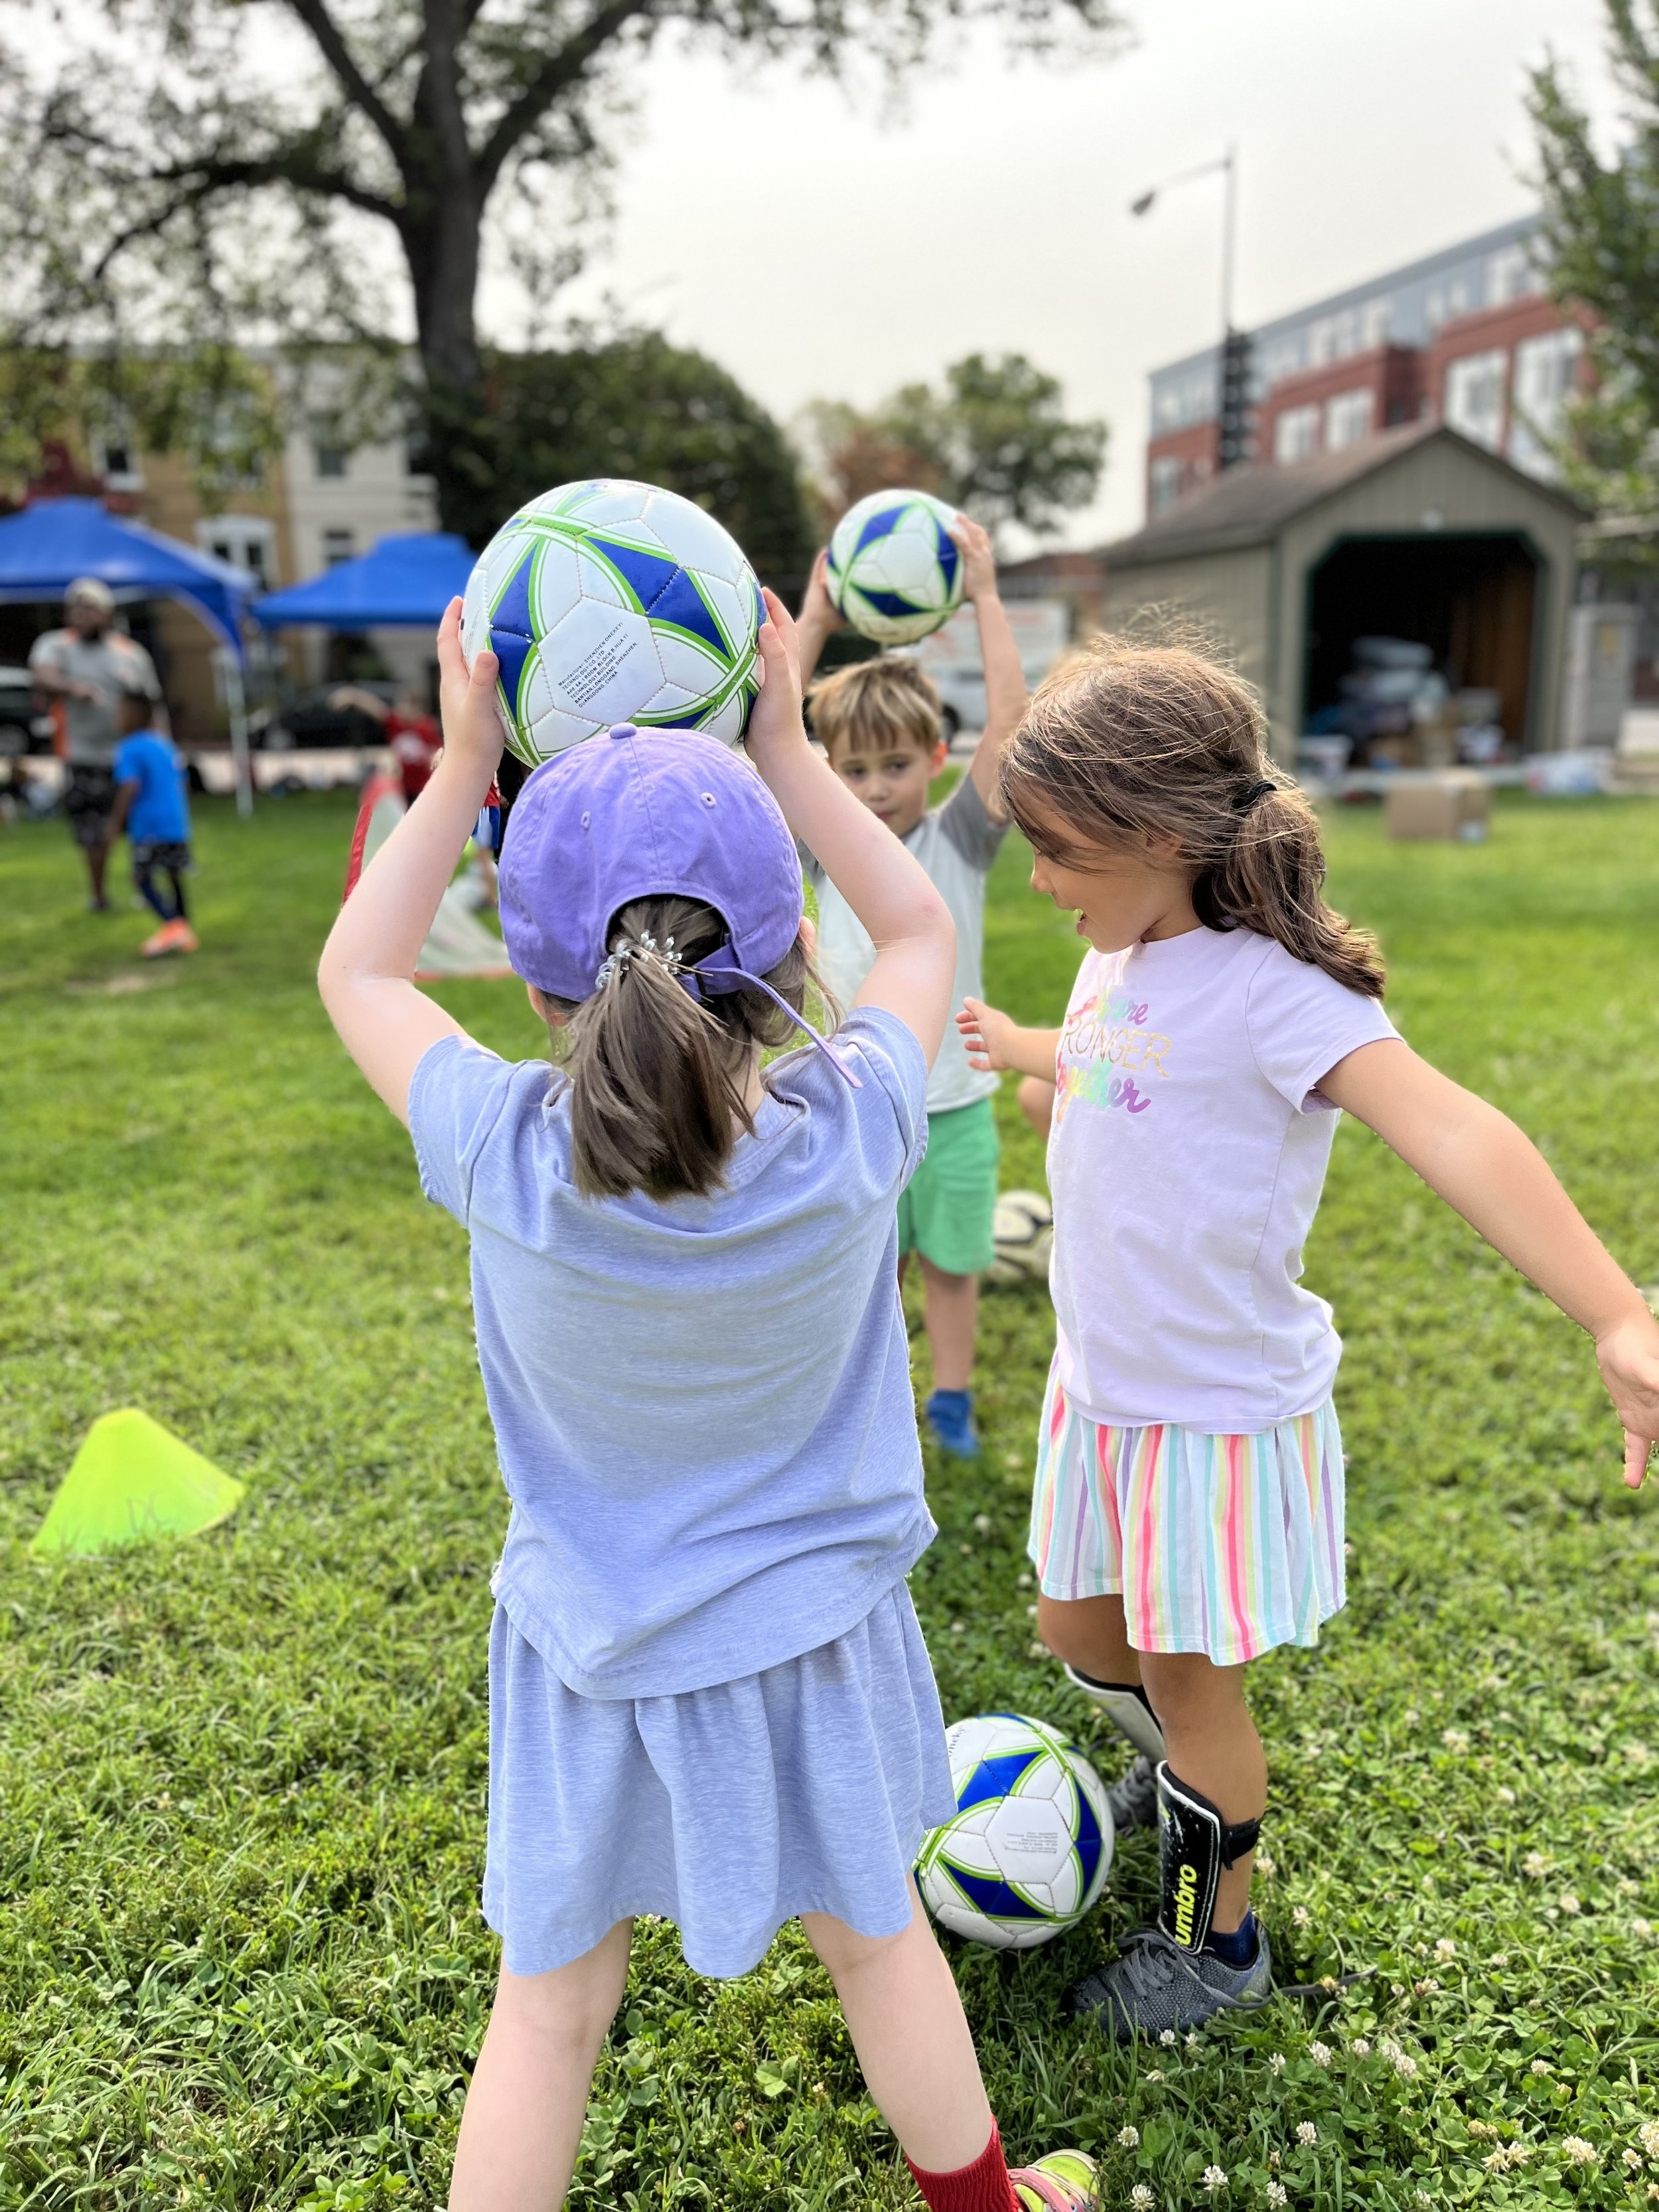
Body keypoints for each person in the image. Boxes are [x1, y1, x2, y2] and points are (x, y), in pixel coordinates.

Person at [317, 593, 1100, 2212]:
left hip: (589, 1653)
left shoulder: (502, 1154)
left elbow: (360, 966)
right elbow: (921, 935)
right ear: (787, 944)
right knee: (882, 1948)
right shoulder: (856, 1126)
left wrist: (468, 761)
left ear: (537, 977)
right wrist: (788, 749)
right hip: (817, 1644)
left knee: (549, 2012)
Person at [958, 636, 1659, 2039]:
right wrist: (1029, 1053)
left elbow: (1451, 1126)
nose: (1034, 878)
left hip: (1207, 1418)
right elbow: (1119, 1066)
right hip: (1100, 1396)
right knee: (1065, 1627)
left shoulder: (1282, 990)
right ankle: (1192, 1791)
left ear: (1159, 833)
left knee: (1182, 1686)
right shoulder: (1123, 945)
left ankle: (1207, 1939)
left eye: (1054, 849)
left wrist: (1616, 1310)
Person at [795, 518, 1026, 1460]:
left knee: (954, 1268)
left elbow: (1013, 723)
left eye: (895, 765)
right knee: (870, 1274)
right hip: (860, 1107)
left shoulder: (961, 837)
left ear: (934, 759)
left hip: (960, 1107)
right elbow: (765, 728)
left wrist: (984, 597)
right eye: (851, 770)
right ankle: (878, 1404)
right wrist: (812, 616)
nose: (875, 786)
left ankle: (953, 1401)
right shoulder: (819, 842)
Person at [29, 577, 163, 911]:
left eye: (89, 607)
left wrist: (162, 751)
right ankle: (99, 896)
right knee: (93, 832)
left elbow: (152, 704)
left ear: (108, 613)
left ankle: (144, 889)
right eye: (75, 608)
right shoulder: (57, 646)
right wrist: (72, 688)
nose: (82, 614)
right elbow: (43, 676)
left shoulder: (130, 654)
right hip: (84, 756)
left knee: (143, 827)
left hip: (129, 756)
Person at [111, 690, 197, 957]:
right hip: (176, 823)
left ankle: (174, 925)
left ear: (138, 715)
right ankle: (184, 929)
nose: (119, 718)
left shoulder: (129, 748)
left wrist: (116, 821)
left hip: (149, 826)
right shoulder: (164, 744)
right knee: (174, 874)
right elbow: (182, 782)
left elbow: (129, 786)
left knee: (142, 877)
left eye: (123, 713)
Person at [328, 680, 440, 802]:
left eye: (409, 705)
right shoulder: (395, 723)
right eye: (401, 704)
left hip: (423, 786)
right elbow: (373, 706)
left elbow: (436, 751)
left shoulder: (426, 727)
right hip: (402, 786)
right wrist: (351, 696)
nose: (403, 710)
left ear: (419, 708)